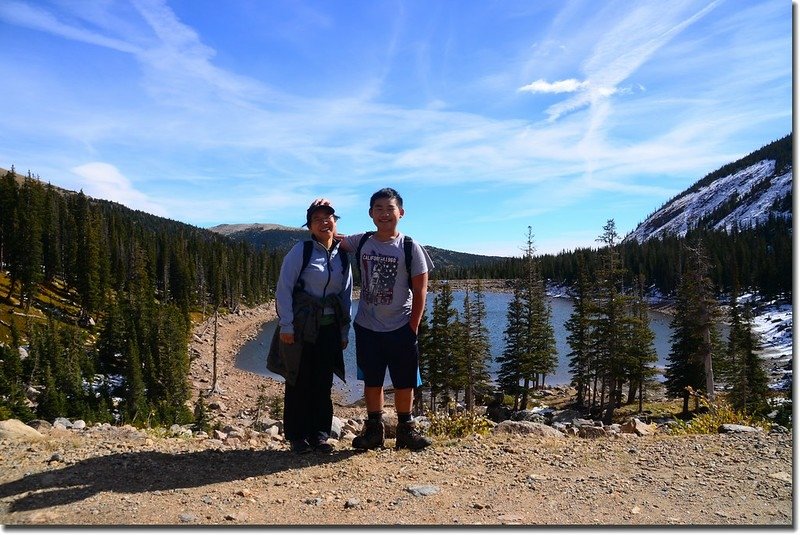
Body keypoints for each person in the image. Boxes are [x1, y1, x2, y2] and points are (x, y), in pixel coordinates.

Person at [316, 187, 434, 451]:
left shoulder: (409, 247)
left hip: (401, 326)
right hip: (368, 327)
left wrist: (413, 326)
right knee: (372, 381)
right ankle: (374, 431)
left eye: (389, 209)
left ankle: (406, 430)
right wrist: (326, 212)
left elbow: (421, 290)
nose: (384, 214)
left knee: (405, 381)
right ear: (370, 214)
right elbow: (331, 235)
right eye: (378, 209)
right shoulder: (362, 241)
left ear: (400, 213)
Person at [267, 201, 352, 454]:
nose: (324, 222)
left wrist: (344, 331)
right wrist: (286, 325)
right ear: (310, 227)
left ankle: (320, 435)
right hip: (302, 327)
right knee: (298, 380)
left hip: (329, 328)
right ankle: (297, 436)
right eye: (317, 219)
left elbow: (346, 295)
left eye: (328, 218)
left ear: (335, 221)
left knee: (323, 382)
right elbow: (284, 289)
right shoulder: (300, 251)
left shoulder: (343, 254)